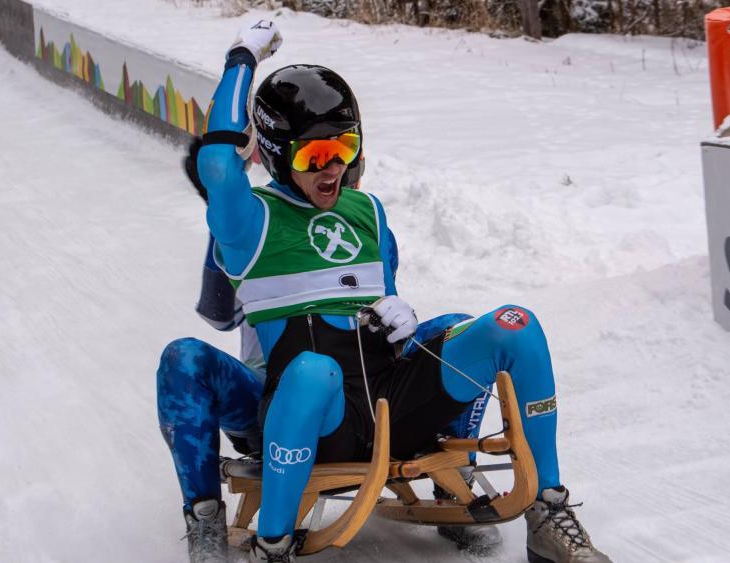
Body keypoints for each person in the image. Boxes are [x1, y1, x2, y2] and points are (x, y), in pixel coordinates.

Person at [179, 20, 613, 563]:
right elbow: (217, 165)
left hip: (390, 402)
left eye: (344, 147)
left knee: (512, 325)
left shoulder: (368, 212)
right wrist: (242, 56)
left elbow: (380, 300)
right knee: (314, 368)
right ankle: (275, 545)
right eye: (313, 156)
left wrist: (393, 312)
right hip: (318, 417)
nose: (333, 167)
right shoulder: (250, 225)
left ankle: (548, 511)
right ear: (271, 153)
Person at [159, 142, 496, 563]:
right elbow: (220, 315)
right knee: (185, 358)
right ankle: (205, 515)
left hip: (367, 387)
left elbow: (386, 311)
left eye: (343, 161)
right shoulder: (252, 223)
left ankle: (453, 473)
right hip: (275, 386)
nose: (334, 176)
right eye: (317, 162)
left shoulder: (365, 220)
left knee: (459, 327)